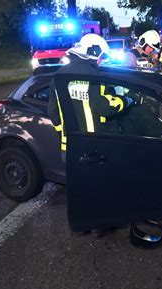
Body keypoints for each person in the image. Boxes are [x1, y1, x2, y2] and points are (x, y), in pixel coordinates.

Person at [48, 33, 123, 238]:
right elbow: (103, 107)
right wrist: (123, 101)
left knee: (77, 186)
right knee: (98, 185)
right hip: (93, 145)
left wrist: (62, 135)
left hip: (68, 147)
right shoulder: (93, 75)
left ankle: (80, 226)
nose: (101, 61)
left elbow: (53, 113)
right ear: (93, 52)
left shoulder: (60, 75)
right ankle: (99, 226)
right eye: (101, 56)